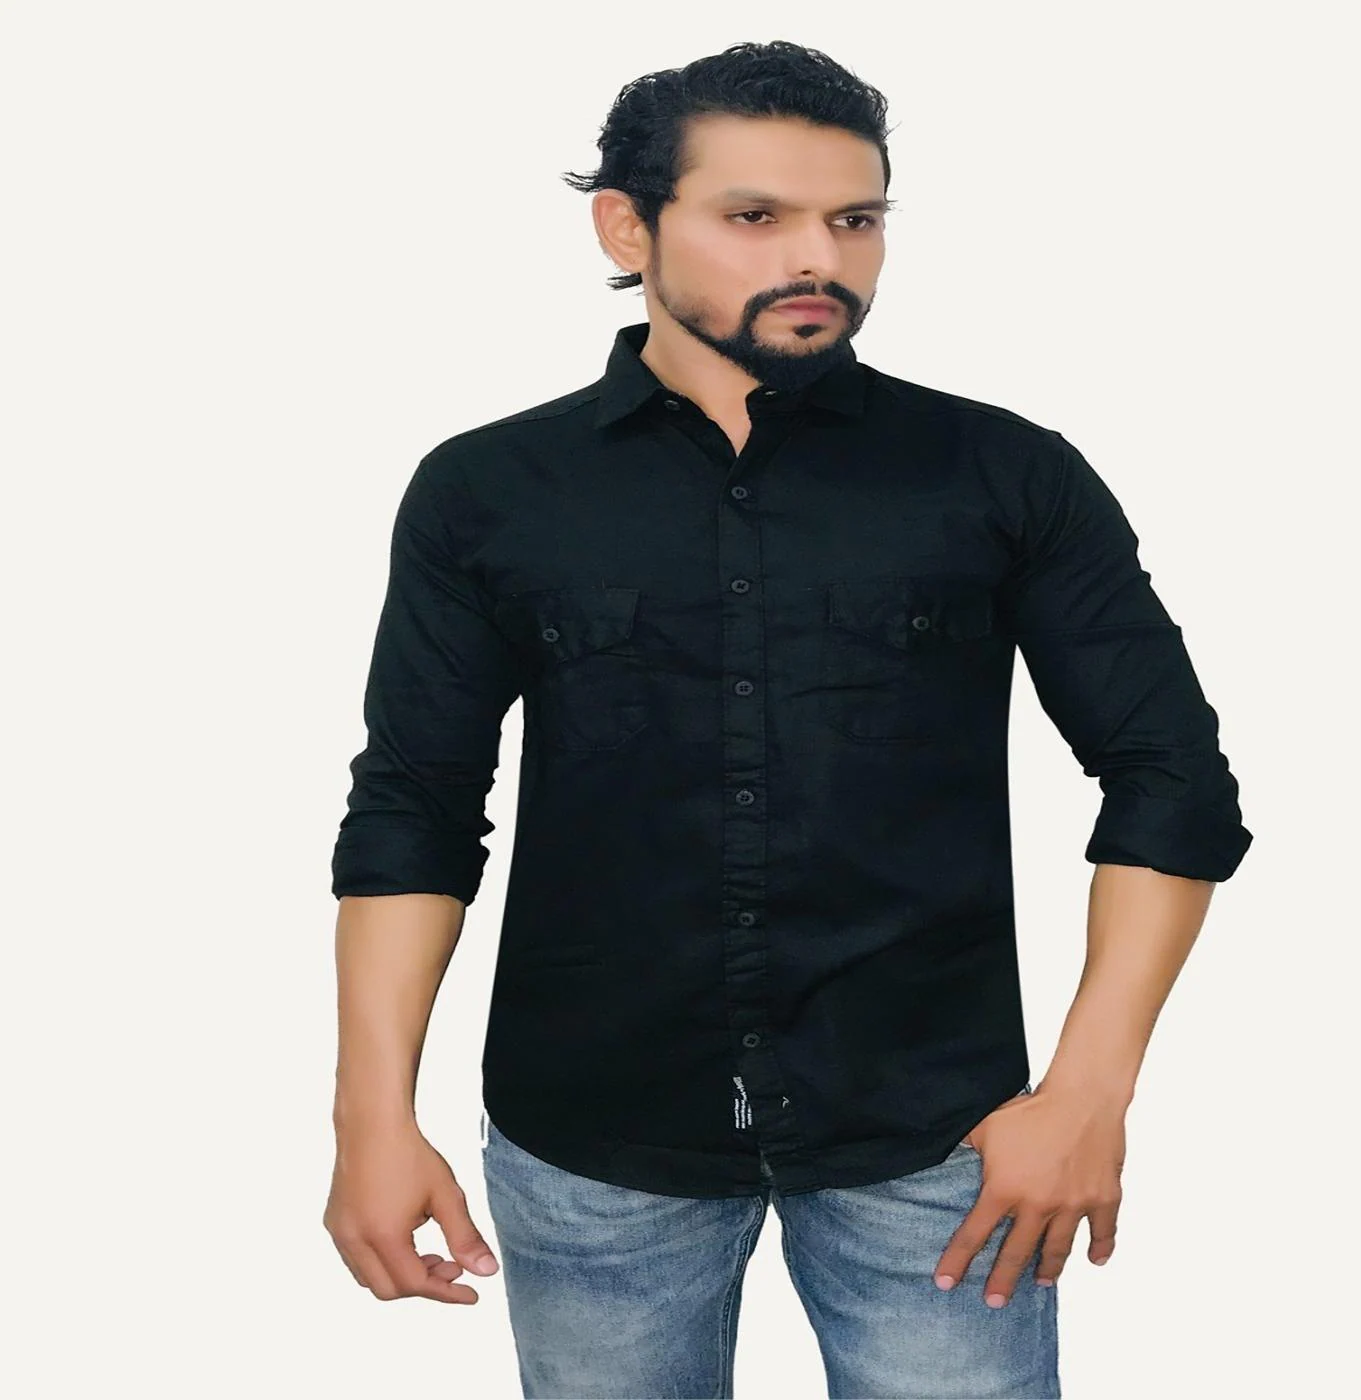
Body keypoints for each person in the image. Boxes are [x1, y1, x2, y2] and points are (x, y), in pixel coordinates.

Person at [322, 39, 1252, 1400]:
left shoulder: (1005, 475)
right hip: (593, 1137)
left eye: (856, 219)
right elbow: (413, 809)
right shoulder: (487, 490)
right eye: (755, 216)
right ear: (627, 227)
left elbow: (1173, 781)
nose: (821, 258)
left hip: (940, 1144)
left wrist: (1087, 1097)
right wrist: (370, 1115)